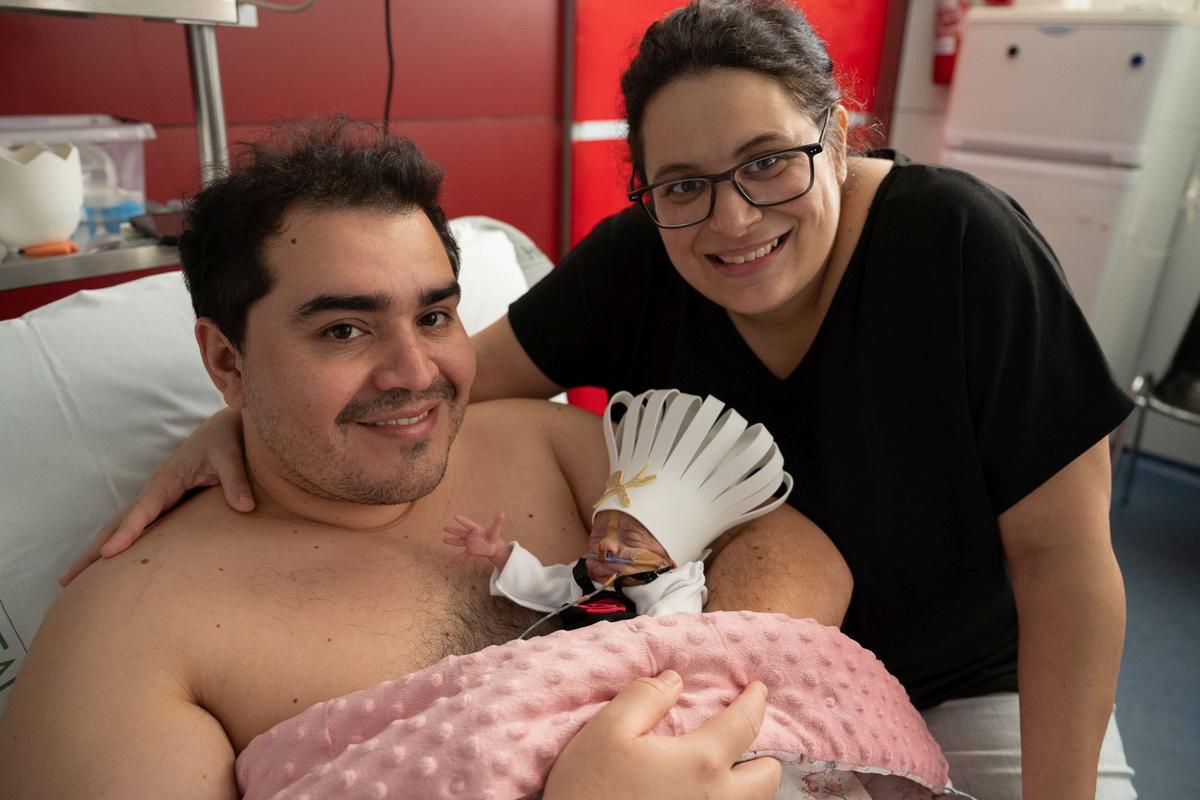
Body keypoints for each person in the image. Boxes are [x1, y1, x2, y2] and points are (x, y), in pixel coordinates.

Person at [62, 2, 1135, 798]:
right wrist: (233, 419)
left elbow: (1063, 561)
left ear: (840, 137)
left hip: (990, 669)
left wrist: (704, 687)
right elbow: (450, 371)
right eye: (342, 327)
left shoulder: (953, 247)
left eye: (768, 162)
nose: (730, 218)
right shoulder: (136, 621)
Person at [0, 118, 853, 799]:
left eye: (436, 317)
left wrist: (699, 704)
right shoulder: (131, 637)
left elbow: (789, 549)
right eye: (344, 329)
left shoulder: (544, 440)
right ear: (227, 362)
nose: (415, 375)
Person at [446, 388, 794, 628]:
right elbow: (543, 584)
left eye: (629, 537)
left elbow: (670, 630)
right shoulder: (588, 578)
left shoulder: (673, 587)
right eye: (599, 533)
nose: (608, 546)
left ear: (669, 557)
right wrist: (500, 554)